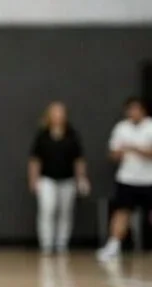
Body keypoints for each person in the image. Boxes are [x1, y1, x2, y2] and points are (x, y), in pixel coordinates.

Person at [28, 100, 89, 255]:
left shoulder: (72, 135)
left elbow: (78, 160)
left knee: (65, 211)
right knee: (47, 209)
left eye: (61, 113)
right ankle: (46, 244)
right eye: (54, 113)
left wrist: (81, 178)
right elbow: (35, 160)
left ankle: (62, 244)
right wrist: (33, 180)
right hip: (47, 179)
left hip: (67, 179)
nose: (58, 116)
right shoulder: (42, 136)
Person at [97, 96, 152, 261]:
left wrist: (135, 148)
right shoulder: (121, 128)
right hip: (127, 179)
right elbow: (113, 153)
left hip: (149, 179)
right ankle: (113, 245)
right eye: (131, 109)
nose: (133, 113)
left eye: (137, 109)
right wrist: (119, 153)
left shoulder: (150, 126)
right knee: (122, 212)